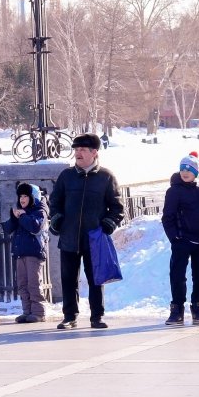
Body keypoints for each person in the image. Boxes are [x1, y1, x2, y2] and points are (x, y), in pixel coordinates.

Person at [49, 133, 124, 330]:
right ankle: (69, 316)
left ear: (94, 153)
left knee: (95, 279)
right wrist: (57, 219)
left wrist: (108, 224)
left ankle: (96, 316)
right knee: (68, 279)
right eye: (76, 150)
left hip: (94, 238)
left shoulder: (106, 177)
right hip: (69, 237)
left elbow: (117, 207)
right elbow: (54, 202)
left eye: (82, 150)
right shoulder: (66, 176)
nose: (78, 154)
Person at [161, 152, 199, 326]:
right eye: (183, 168)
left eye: (189, 169)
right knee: (178, 275)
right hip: (182, 240)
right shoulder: (174, 191)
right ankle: (177, 310)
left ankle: (197, 307)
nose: (185, 172)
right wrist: (175, 237)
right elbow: (167, 217)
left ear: (196, 172)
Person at [1, 183, 50, 323]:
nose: (22, 199)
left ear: (32, 197)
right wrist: (14, 216)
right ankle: (27, 311)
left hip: (34, 253)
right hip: (20, 253)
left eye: (25, 196)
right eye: (20, 196)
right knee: (22, 284)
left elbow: (35, 227)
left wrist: (22, 216)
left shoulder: (40, 210)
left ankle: (39, 312)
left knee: (34, 283)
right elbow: (8, 229)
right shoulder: (21, 211)